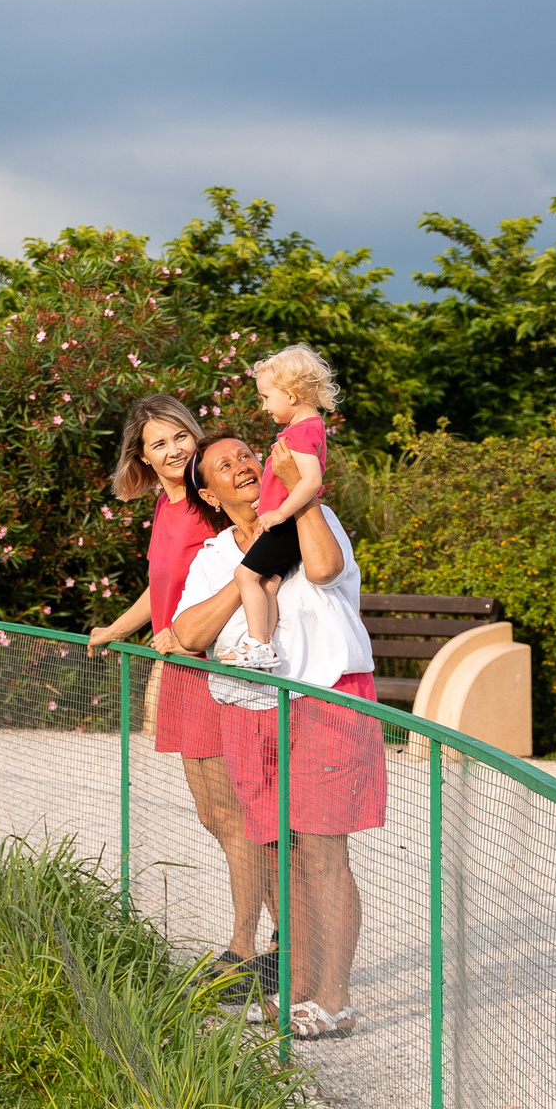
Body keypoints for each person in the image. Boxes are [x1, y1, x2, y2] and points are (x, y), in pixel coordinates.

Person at [172, 435, 384, 1041]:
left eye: (247, 455)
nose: (241, 466)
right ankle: (297, 986)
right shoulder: (213, 555)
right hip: (250, 708)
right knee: (272, 849)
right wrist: (244, 577)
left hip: (326, 696)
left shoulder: (310, 520)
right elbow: (188, 633)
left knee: (321, 850)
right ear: (208, 493)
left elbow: (324, 570)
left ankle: (334, 1000)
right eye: (223, 465)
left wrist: (305, 493)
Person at [86, 395, 279, 997]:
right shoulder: (167, 511)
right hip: (182, 673)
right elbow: (161, 590)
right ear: (141, 459)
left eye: (178, 437)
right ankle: (279, 939)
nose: (173, 452)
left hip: (216, 667)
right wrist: (119, 628)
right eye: (157, 444)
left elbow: (255, 559)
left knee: (239, 815)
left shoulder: (209, 506)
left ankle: (250, 949)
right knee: (216, 815)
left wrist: (192, 628)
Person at [226, 345, 336, 670]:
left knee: (244, 575)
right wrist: (269, 500)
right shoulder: (306, 428)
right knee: (268, 584)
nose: (263, 406)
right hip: (285, 520)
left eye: (266, 397)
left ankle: (258, 643)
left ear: (290, 395)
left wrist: (279, 512)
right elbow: (288, 479)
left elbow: (310, 481)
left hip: (286, 524)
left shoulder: (302, 432)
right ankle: (264, 645)